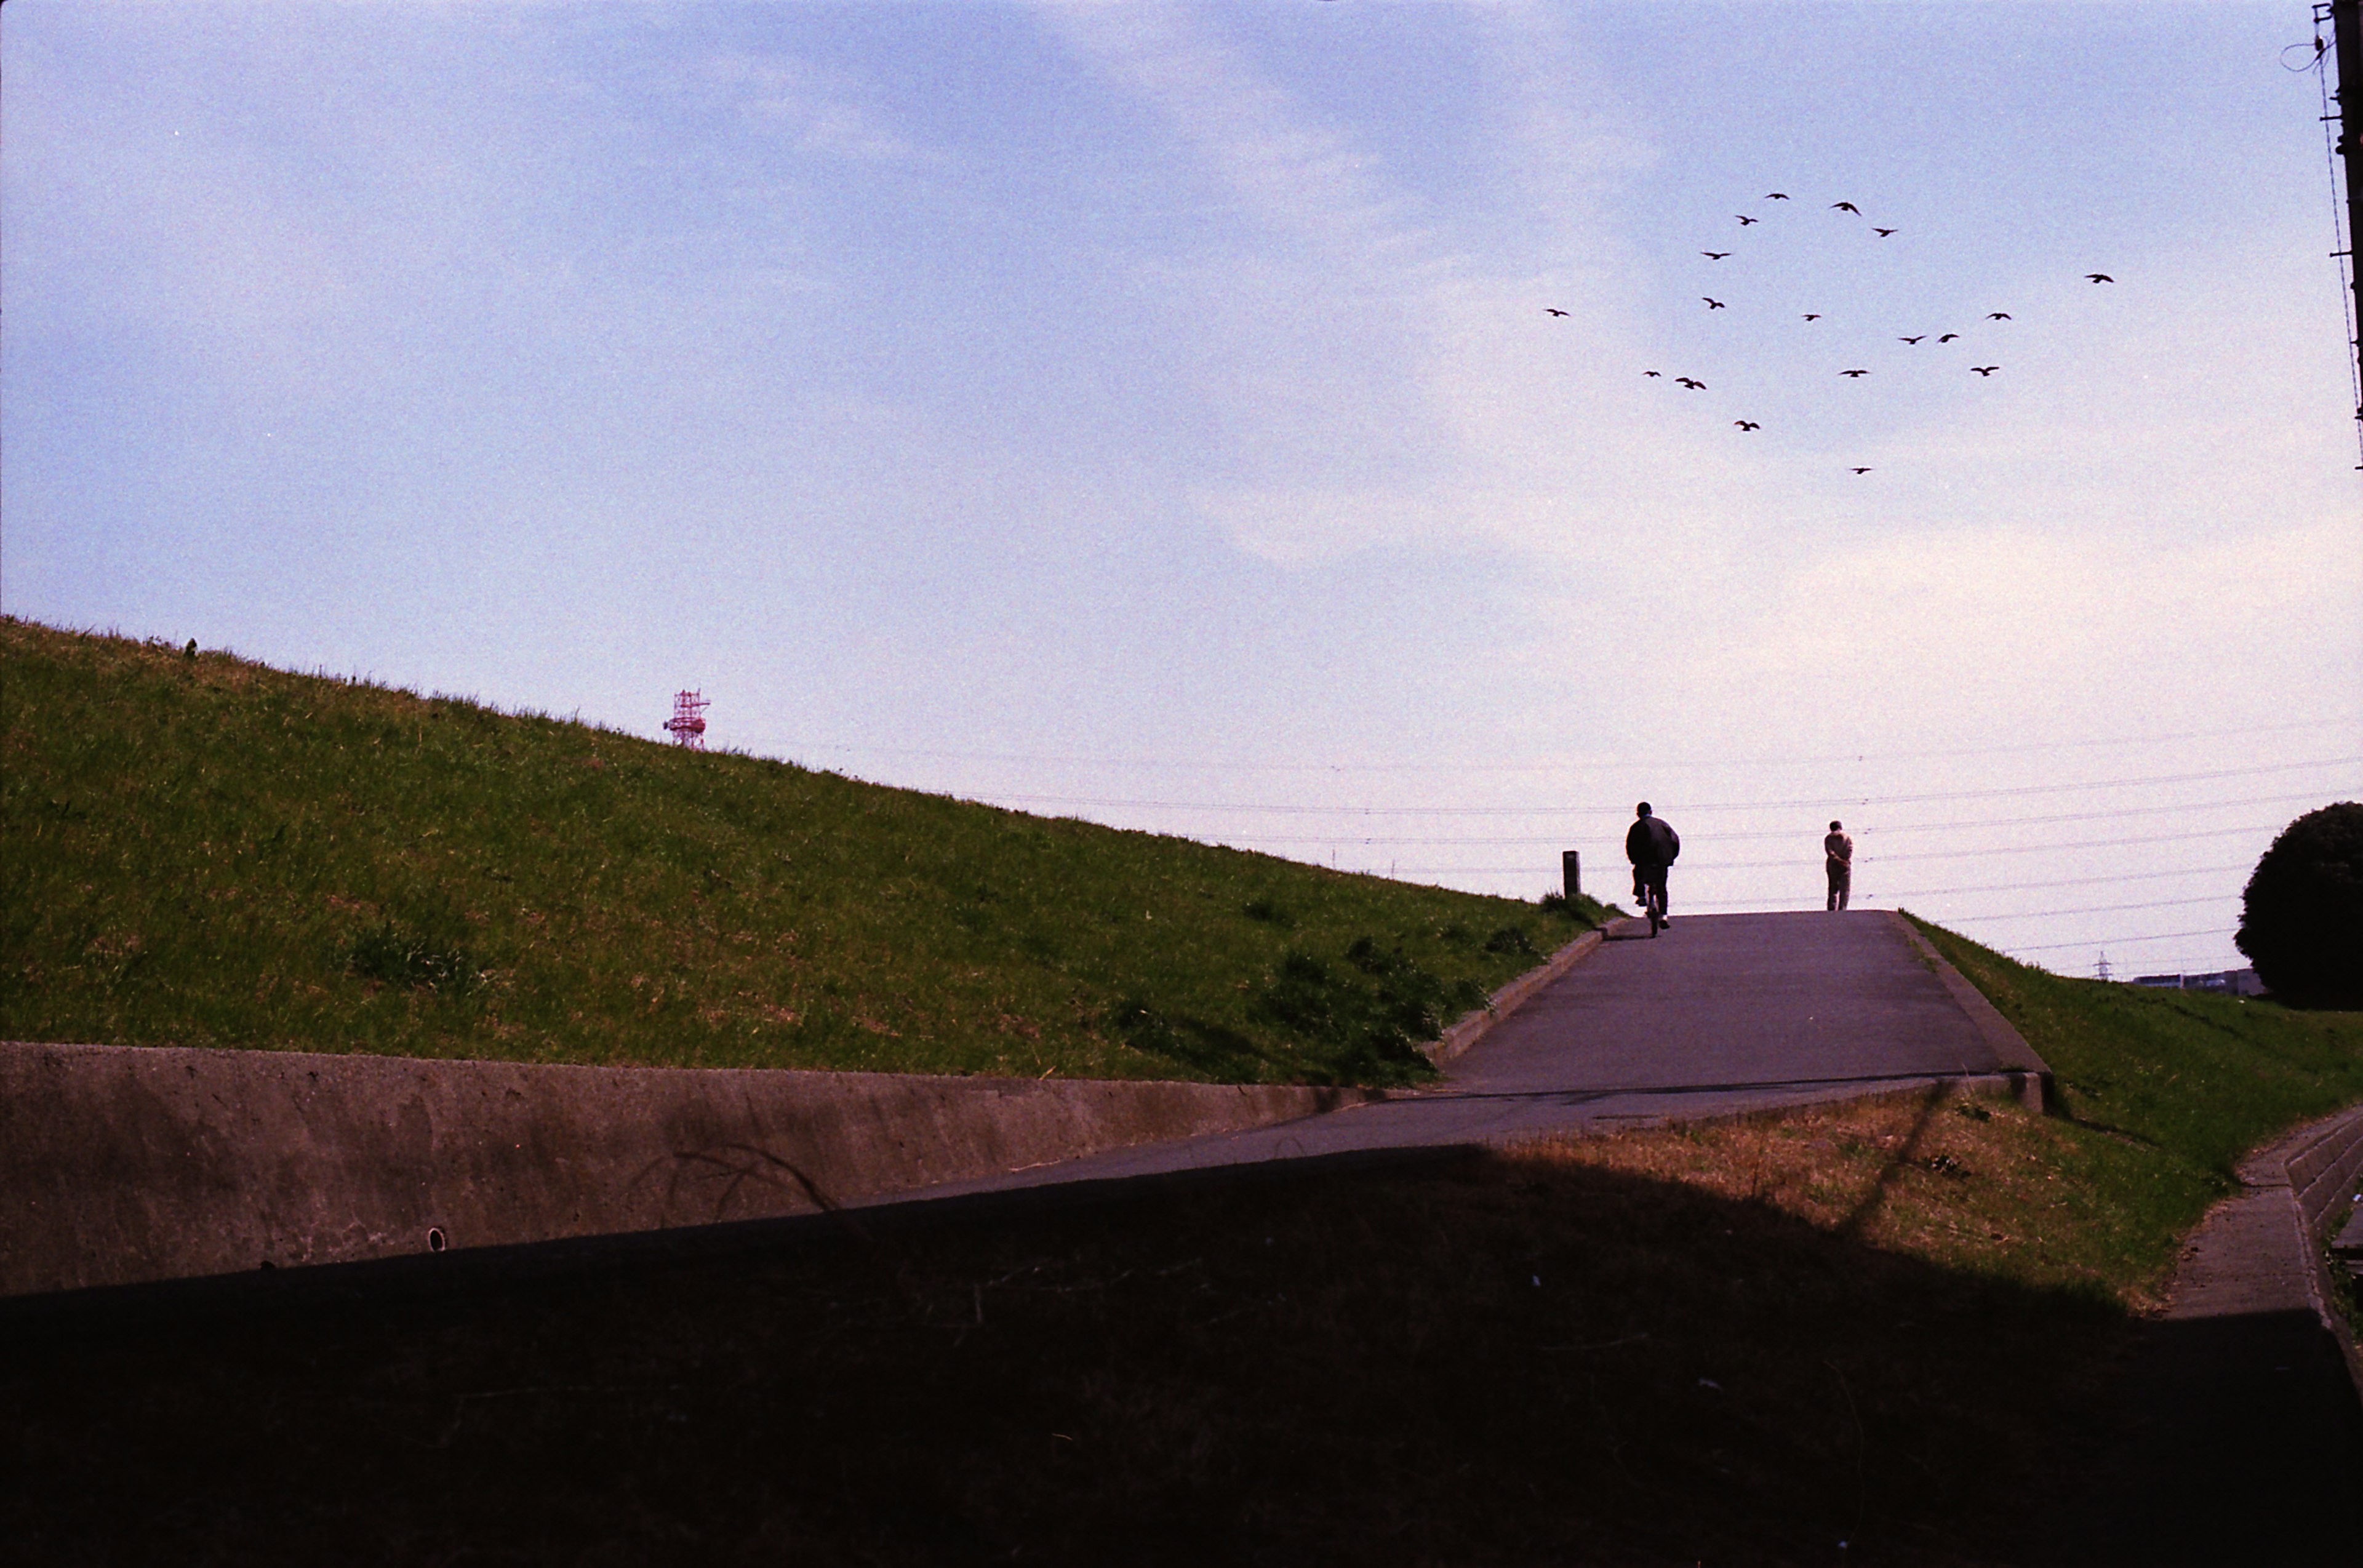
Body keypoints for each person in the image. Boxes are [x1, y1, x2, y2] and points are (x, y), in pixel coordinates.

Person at [1625, 802, 1681, 924]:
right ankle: (1664, 916)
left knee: (1638, 872)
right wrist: (1671, 858)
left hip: (1645, 860)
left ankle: (1642, 896)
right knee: (1662, 887)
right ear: (1651, 812)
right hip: (1663, 859)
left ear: (1638, 814)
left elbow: (1630, 845)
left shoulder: (1636, 827)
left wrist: (1633, 859)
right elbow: (1675, 840)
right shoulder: (1663, 824)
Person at [1824, 819, 1853, 911]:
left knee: (1833, 887)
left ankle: (1832, 908)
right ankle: (1843, 908)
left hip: (1833, 865)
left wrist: (1837, 860)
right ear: (1841, 827)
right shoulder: (1847, 838)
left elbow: (1830, 852)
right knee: (1845, 888)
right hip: (1845, 865)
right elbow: (1850, 849)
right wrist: (1845, 860)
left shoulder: (1829, 838)